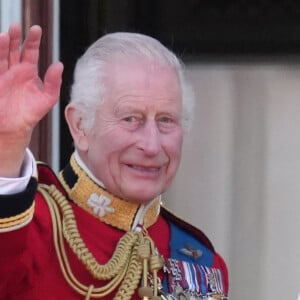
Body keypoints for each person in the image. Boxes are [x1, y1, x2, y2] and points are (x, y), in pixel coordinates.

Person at [0, 23, 229, 300]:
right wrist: (7, 146)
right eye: (130, 118)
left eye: (166, 120)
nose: (151, 145)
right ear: (80, 126)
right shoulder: (30, 227)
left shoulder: (200, 262)